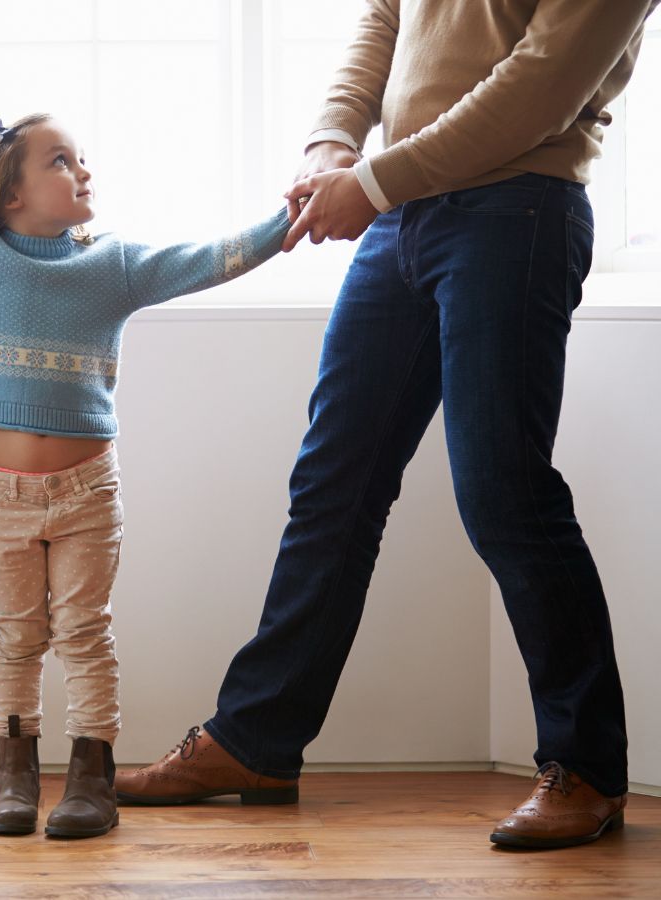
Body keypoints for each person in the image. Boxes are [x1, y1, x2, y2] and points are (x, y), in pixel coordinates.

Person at [118, 0, 657, 850]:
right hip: (404, 217)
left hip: (514, 212)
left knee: (505, 494)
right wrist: (333, 144)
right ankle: (256, 741)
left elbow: (541, 85)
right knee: (333, 484)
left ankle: (586, 768)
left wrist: (370, 184)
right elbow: (383, 20)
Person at [0, 112, 290, 838]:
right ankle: (14, 772)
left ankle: (91, 775)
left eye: (81, 158)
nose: (82, 170)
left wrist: (295, 216)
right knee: (15, 636)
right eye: (61, 160)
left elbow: (214, 257)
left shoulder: (113, 265)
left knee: (85, 633)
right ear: (9, 192)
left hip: (87, 493)